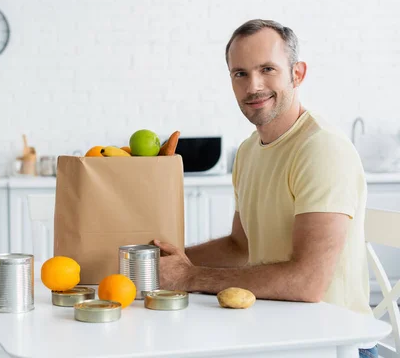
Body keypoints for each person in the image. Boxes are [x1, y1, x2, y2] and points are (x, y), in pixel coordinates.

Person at [154, 19, 377, 358]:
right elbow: (238, 246)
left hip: (332, 345)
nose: (253, 86)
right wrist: (157, 263)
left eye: (267, 69)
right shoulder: (248, 151)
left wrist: (188, 277)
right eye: (240, 73)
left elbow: (307, 282)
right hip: (275, 332)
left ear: (297, 74)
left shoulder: (321, 149)